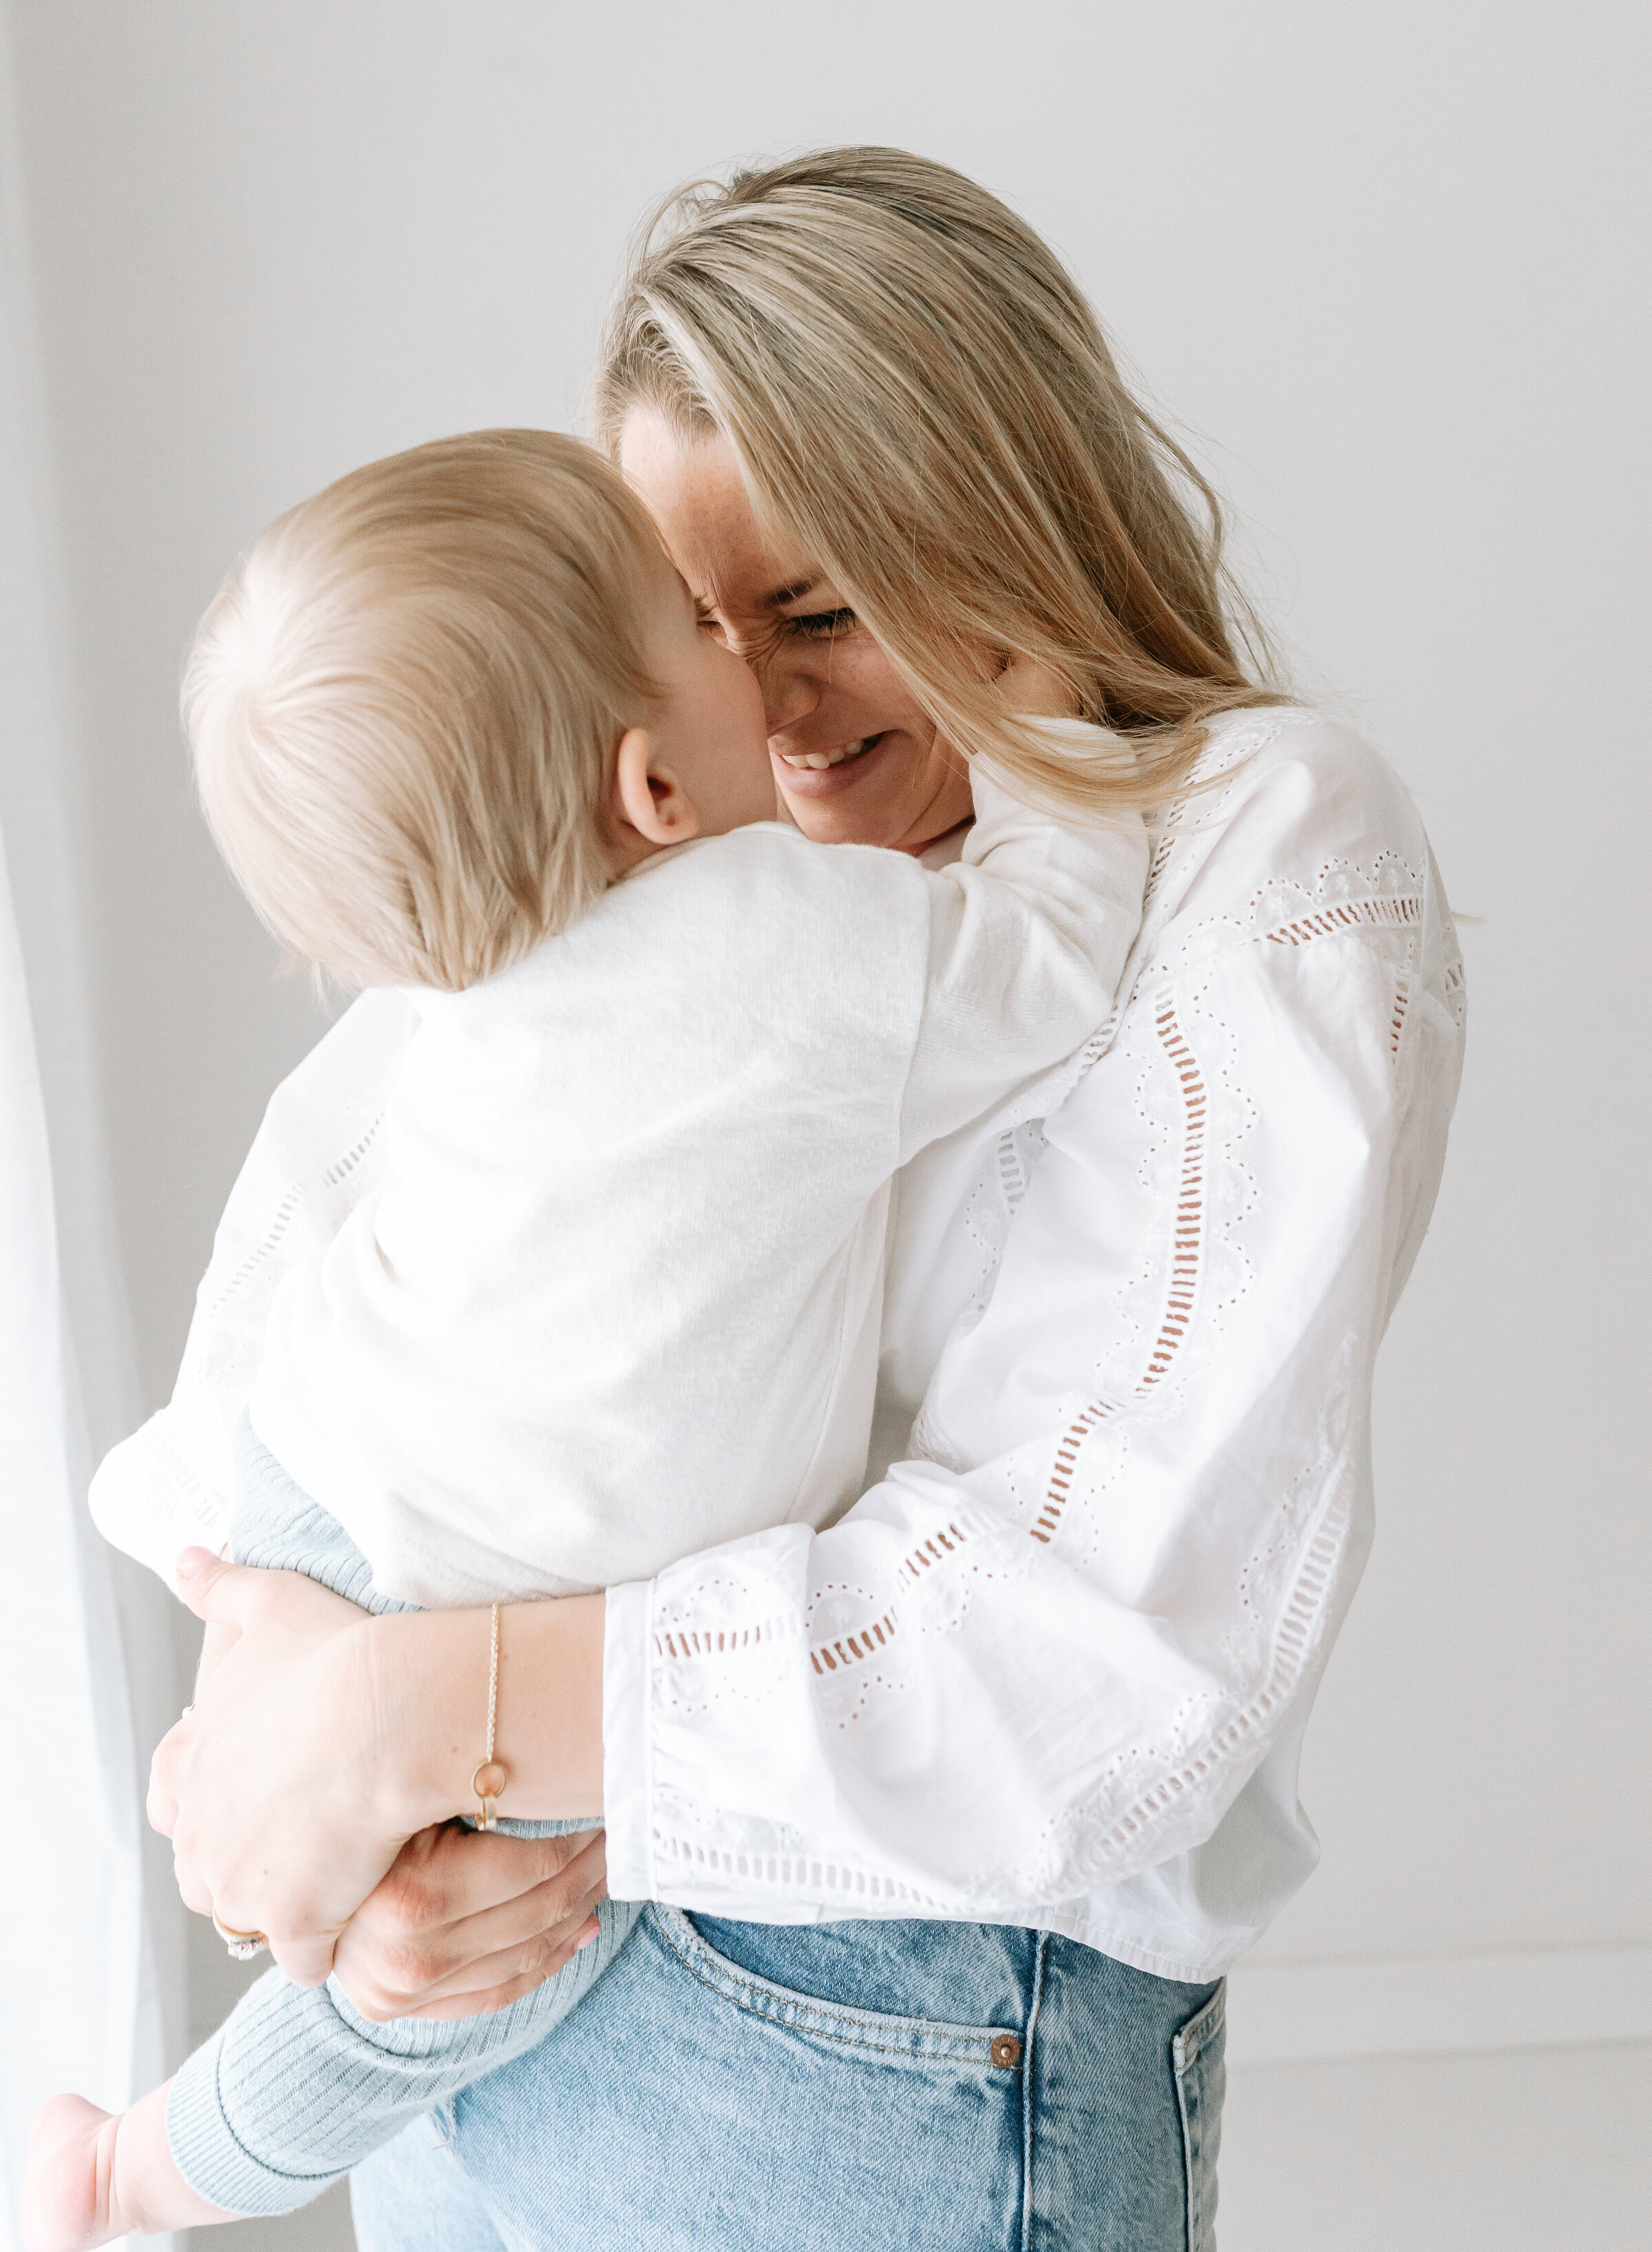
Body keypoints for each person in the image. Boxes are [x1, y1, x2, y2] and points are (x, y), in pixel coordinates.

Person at [138, 149, 1462, 2252]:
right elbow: (326, 1292)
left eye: (826, 612)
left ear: (1007, 531)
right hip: (483, 1980)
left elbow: (1085, 1664)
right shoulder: (644, 864)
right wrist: (309, 1719)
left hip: (895, 2053)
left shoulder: (1259, 847)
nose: (756, 703)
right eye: (688, 624)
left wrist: (412, 1714)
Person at [23, 427, 1147, 2247]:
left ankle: (230, 1790)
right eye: (711, 627)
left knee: (349, 1885)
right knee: (453, 1992)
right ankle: (140, 2173)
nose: (764, 682)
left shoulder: (467, 989)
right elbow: (1055, 958)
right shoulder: (794, 944)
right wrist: (1059, 728)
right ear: (654, 785)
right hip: (488, 1593)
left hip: (309, 1487)